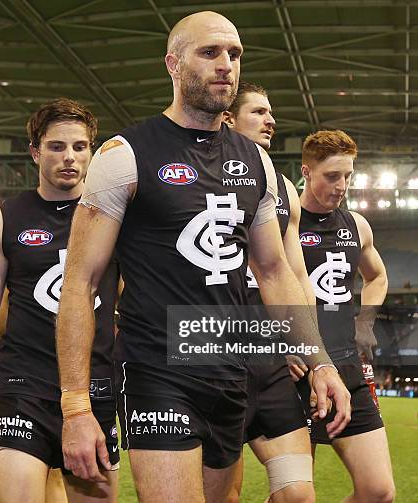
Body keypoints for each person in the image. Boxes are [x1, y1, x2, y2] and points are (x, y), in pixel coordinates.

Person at [55, 11, 351, 503]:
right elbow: (79, 284)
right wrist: (75, 406)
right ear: (173, 63)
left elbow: (274, 271)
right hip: (156, 367)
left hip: (229, 365)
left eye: (234, 54)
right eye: (209, 52)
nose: (226, 65)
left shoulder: (255, 159)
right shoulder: (124, 155)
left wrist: (319, 362)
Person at [0, 98, 120, 503]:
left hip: (94, 387)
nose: (69, 157)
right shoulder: (3, 218)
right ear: (35, 151)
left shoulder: (115, 216)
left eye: (80, 147)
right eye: (56, 147)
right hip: (23, 385)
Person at [221, 81, 316, 503]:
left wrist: (303, 343)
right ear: (228, 119)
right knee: (225, 493)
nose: (271, 121)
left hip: (269, 359)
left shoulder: (282, 188)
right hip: (210, 357)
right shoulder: (189, 176)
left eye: (270, 112)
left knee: (297, 494)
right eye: (258, 112)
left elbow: (294, 273)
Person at [295, 130, 395, 503]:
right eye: (331, 176)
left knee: (378, 491)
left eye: (348, 176)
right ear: (307, 171)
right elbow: (256, 289)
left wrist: (365, 320)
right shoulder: (282, 224)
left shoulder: (357, 225)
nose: (341, 186)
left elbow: (378, 275)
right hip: (298, 373)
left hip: (348, 368)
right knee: (295, 496)